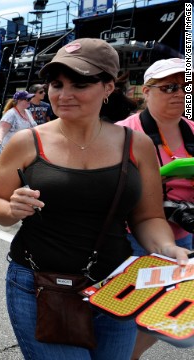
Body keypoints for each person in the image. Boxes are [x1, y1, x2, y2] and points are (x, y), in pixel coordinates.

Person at [0, 38, 191, 360]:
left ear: (108, 86)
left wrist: (167, 249)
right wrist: (11, 208)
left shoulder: (136, 145)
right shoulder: (26, 142)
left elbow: (147, 217)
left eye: (80, 84)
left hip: (119, 288)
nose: (63, 95)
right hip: (40, 284)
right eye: (56, 84)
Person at [115, 58, 191, 360]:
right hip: (131, 236)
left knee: (164, 313)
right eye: (169, 87)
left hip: (181, 235)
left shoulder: (193, 130)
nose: (180, 93)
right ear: (146, 91)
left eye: (186, 87)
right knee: (122, 311)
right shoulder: (123, 132)